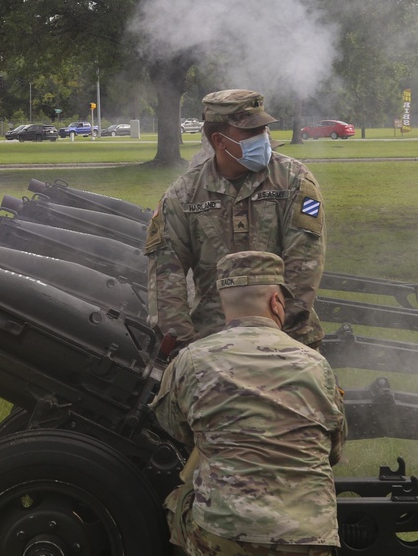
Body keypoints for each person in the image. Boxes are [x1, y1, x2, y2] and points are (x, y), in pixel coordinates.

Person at [150, 250, 346, 556]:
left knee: (181, 497)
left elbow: (176, 429)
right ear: (276, 302)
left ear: (224, 305)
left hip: (224, 536)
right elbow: (333, 449)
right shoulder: (317, 365)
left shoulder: (191, 360)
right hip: (309, 538)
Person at [145, 89, 326, 350]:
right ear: (219, 140)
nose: (263, 137)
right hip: (211, 349)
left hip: (289, 344)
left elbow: (304, 269)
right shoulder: (182, 195)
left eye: (263, 129)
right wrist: (188, 352)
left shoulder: (295, 181)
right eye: (251, 132)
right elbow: (165, 284)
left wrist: (279, 345)